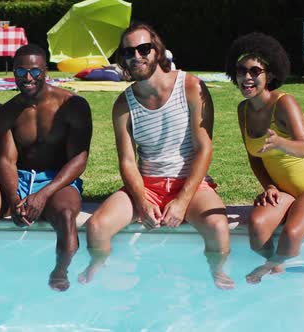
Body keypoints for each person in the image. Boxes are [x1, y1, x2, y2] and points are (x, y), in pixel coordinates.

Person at [79, 23, 234, 290]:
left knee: (218, 228)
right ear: (122, 59)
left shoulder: (191, 87)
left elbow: (203, 149)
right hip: (147, 185)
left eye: (143, 49)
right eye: (129, 52)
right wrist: (141, 200)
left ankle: (216, 272)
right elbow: (127, 162)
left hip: (190, 184)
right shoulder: (123, 105)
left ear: (157, 50)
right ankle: (98, 270)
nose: (136, 56)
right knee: (97, 227)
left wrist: (182, 202)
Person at [0, 44, 92, 291]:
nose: (28, 78)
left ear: (46, 70)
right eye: (21, 72)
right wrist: (15, 198)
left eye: (35, 72)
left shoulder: (73, 105)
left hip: (58, 180)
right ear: (12, 72)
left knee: (66, 216)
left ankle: (60, 270)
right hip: (21, 178)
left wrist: (43, 195)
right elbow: (6, 160)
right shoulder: (9, 111)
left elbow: (79, 159)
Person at [225, 32, 304, 284]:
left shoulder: (285, 103)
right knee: (257, 226)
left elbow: (303, 149)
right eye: (242, 70)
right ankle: (278, 272)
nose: (247, 77)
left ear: (270, 74)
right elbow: (254, 158)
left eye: (255, 71)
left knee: (292, 233)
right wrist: (270, 186)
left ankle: (269, 268)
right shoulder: (243, 110)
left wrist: (280, 143)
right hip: (284, 191)